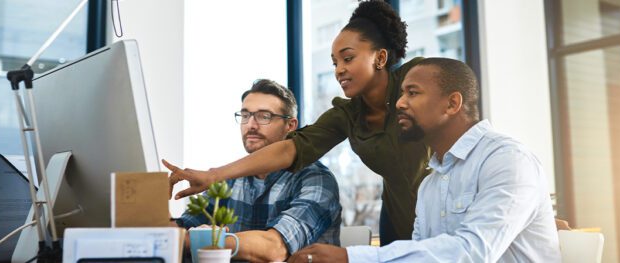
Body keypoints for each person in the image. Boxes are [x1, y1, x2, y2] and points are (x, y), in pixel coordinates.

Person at [162, 0, 429, 246]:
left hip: (444, 211)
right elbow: (293, 149)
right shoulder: (346, 114)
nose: (338, 70)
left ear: (380, 58)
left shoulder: (417, 81)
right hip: (399, 218)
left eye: (347, 59)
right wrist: (211, 176)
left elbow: (273, 249)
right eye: (335, 62)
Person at [287, 58, 562, 262]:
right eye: (401, 93)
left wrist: (351, 258)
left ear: (452, 104)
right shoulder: (430, 185)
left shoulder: (507, 161)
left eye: (413, 93)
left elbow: (473, 251)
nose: (399, 103)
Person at [169, 79, 342, 262]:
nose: (251, 125)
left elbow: (274, 249)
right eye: (245, 116)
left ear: (290, 126)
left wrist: (197, 240)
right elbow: (182, 227)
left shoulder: (316, 179)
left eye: (264, 116)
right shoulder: (231, 179)